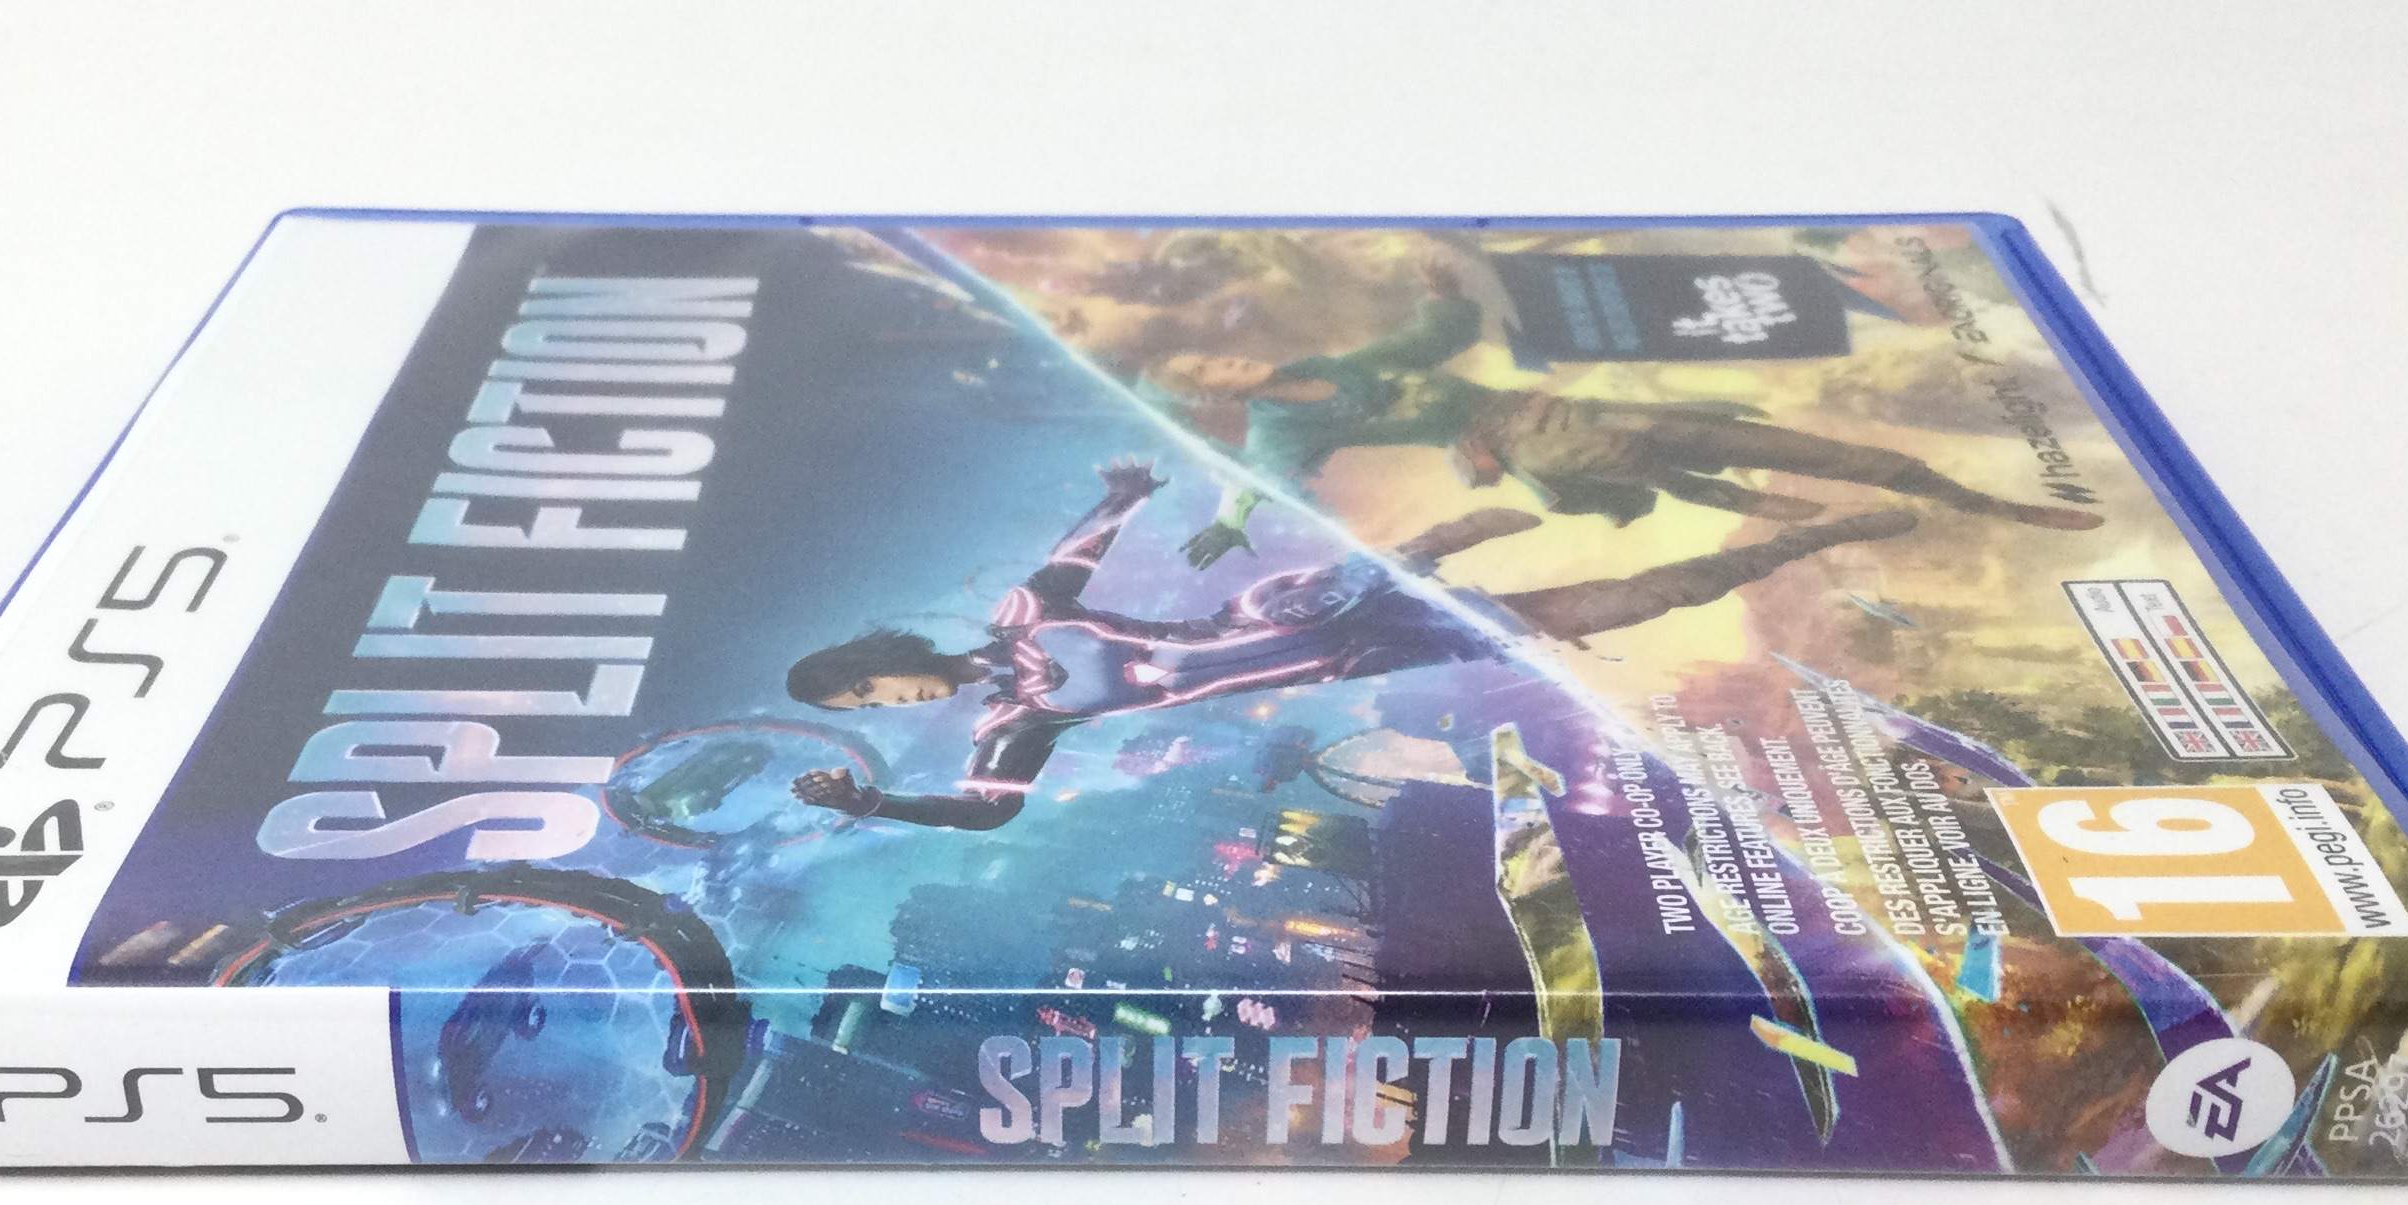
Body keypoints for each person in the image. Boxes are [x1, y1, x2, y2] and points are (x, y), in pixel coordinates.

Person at [785, 459, 1918, 832]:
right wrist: (871, 804)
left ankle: (1431, 541)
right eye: (870, 716)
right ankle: (1821, 534)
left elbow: (1072, 552)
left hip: (1284, 615)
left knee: (1301, 602)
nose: (887, 706)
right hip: (1361, 656)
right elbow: (986, 813)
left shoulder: (1023, 617)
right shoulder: (1012, 724)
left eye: (868, 691)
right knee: (1631, 603)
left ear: (875, 658)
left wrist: (1127, 494)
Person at [1153, 257, 2099, 565]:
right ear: (1211, 395)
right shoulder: (1284, 427)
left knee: (1762, 441)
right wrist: (1232, 520)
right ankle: (1732, 500)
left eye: (1217, 348)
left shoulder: (1326, 364)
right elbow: (1256, 477)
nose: (1231, 360)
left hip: (1545, 402)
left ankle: (1987, 503)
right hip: (1526, 443)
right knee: (1631, 463)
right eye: (1209, 370)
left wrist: (1441, 292)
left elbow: (1427, 339)